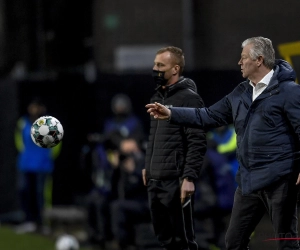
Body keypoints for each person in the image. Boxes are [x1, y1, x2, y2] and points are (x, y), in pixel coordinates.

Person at [146, 37, 300, 250]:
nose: (239, 62)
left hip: (280, 179)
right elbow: (207, 116)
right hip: (248, 182)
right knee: (234, 242)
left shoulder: (289, 92)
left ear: (259, 60)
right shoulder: (241, 92)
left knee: (286, 242)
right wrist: (172, 113)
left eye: (243, 57)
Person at [142, 46, 207, 250]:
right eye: (155, 64)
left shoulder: (189, 99)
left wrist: (188, 178)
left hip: (176, 183)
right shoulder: (156, 98)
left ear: (175, 69)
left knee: (183, 241)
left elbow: (197, 141)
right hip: (155, 180)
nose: (155, 69)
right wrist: (148, 166)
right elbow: (154, 137)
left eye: (161, 65)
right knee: (165, 240)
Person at [14, 98, 61, 234]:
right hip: (25, 164)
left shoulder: (50, 123)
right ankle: (29, 221)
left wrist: (47, 157)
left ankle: (44, 223)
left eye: (37, 107)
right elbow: (19, 140)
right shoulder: (22, 123)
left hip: (43, 165)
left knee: (41, 194)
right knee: (24, 191)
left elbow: (56, 144)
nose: (34, 109)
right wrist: (25, 154)